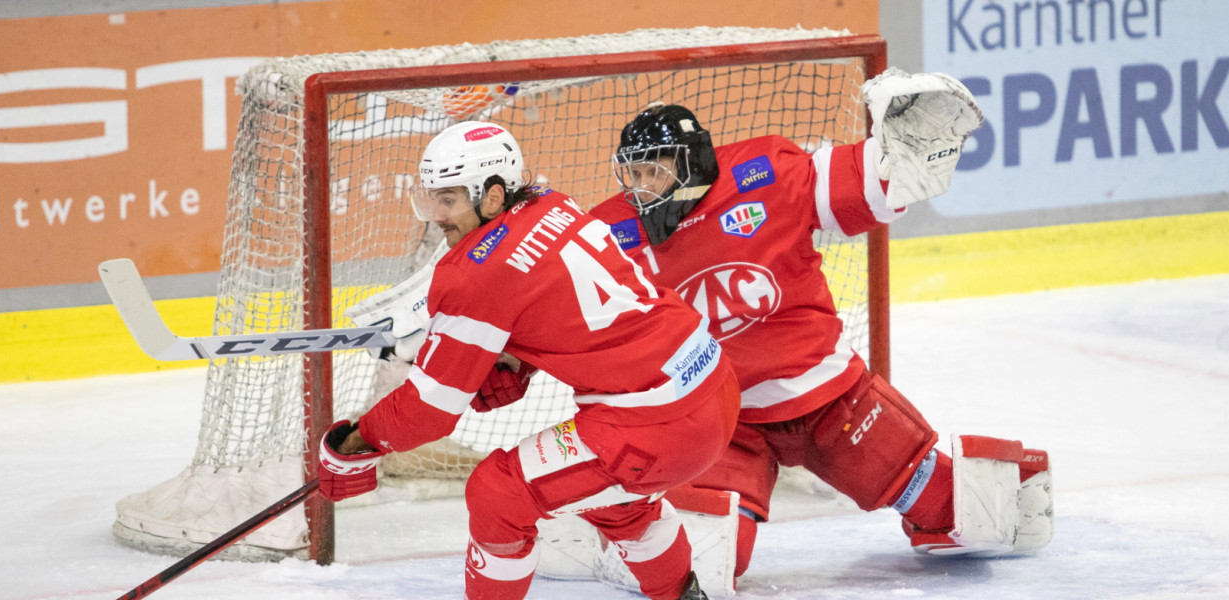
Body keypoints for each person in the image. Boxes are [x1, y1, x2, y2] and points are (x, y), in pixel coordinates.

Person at [488, 69, 1051, 591]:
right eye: (632, 174)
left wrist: (903, 152)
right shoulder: (609, 232)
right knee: (706, 564)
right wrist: (506, 361)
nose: (642, 188)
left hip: (830, 396)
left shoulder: (767, 174)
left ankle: (995, 494)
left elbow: (881, 183)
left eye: (655, 170)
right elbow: (560, 309)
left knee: (978, 514)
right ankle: (602, 535)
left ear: (693, 163)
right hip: (718, 424)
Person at [315, 121, 741, 600]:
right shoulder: (548, 201)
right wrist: (518, 362)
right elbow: (551, 297)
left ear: (493, 196)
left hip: (653, 425)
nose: (436, 214)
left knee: (498, 495)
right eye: (431, 198)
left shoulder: (474, 276)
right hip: (711, 385)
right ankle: (683, 595)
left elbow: (429, 411)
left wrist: (357, 441)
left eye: (449, 199)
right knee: (617, 501)